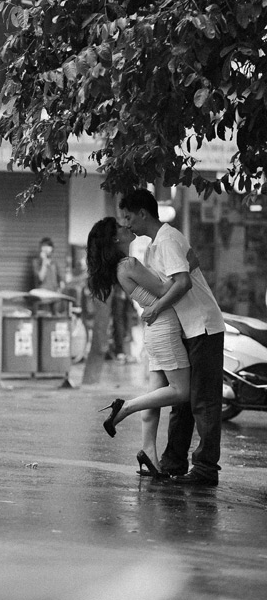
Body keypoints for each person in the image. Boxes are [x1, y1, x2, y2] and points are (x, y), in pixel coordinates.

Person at [119, 189, 225, 486]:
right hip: (186, 328)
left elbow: (183, 283)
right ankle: (173, 461)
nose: (127, 224)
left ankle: (205, 469)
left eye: (129, 217)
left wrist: (155, 309)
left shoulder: (167, 239)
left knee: (202, 400)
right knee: (183, 399)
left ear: (143, 213)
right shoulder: (155, 247)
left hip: (203, 325)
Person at [87, 217, 191, 478]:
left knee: (154, 399)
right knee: (182, 391)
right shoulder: (129, 264)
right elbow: (167, 287)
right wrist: (188, 264)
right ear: (115, 239)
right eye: (121, 227)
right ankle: (126, 408)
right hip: (164, 327)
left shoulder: (121, 268)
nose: (127, 227)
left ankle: (149, 453)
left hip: (155, 330)